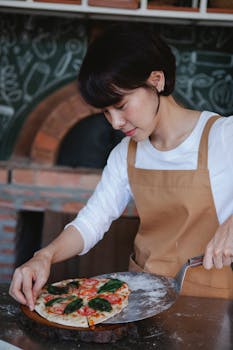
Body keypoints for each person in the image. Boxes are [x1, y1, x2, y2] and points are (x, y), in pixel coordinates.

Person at [9, 23, 233, 310]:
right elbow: (91, 222)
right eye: (106, 111)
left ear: (156, 80)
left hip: (212, 306)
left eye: (121, 105)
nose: (115, 122)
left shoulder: (222, 136)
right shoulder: (125, 154)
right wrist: (45, 255)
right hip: (146, 300)